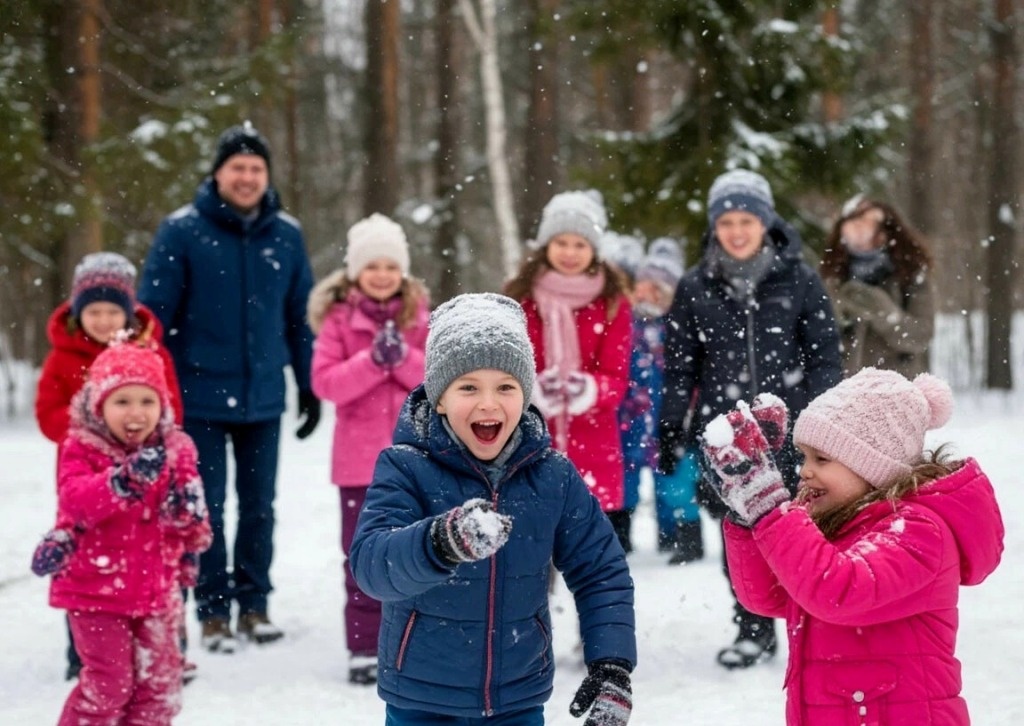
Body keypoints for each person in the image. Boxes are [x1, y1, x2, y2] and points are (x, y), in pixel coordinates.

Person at [349, 293, 636, 725]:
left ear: (525, 395)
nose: (488, 403)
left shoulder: (552, 475)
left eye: (506, 387)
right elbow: (372, 565)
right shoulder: (406, 467)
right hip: (421, 700)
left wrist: (611, 664)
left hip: (516, 700)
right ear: (439, 398)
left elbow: (601, 571)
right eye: (468, 387)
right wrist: (437, 543)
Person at [700, 368, 1004, 724]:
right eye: (804, 457)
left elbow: (837, 590)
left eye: (822, 459)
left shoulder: (918, 532)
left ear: (872, 465)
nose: (804, 471)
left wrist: (769, 508)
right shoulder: (834, 524)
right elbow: (769, 595)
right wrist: (748, 513)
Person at [138, 122, 320, 652]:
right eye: (237, 167)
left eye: (256, 168)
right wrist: (153, 390)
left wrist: (307, 385)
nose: (247, 177)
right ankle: (214, 611)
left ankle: (255, 605)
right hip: (198, 399)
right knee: (208, 507)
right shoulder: (182, 231)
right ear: (217, 173)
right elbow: (155, 316)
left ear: (267, 175)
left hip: (263, 398)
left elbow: (300, 317)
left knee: (260, 507)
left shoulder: (286, 234)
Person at [658, 168, 842, 668]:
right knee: (741, 535)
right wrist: (671, 423)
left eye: (746, 220)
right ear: (714, 227)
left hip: (797, 434)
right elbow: (680, 365)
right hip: (728, 438)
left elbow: (824, 355)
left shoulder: (800, 279)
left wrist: (821, 418)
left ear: (766, 222)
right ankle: (753, 629)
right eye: (726, 222)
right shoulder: (695, 286)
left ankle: (814, 629)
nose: (736, 231)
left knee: (806, 533)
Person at [32, 342, 212, 725]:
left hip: (157, 591)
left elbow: (193, 523)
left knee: (159, 689)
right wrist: (121, 482)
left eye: (147, 401)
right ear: (99, 406)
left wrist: (188, 516)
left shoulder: (176, 450)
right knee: (108, 686)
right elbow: (75, 500)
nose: (136, 413)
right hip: (96, 591)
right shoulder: (82, 447)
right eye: (122, 401)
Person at [34, 250, 184, 681]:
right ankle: (83, 650)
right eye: (94, 312)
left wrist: (143, 436)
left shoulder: (152, 354)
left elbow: (172, 409)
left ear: (129, 312)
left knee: (149, 554)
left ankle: (158, 645)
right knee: (85, 561)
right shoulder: (63, 357)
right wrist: (95, 430)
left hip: (147, 478)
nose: (103, 321)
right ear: (77, 313)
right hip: (84, 477)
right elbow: (48, 413)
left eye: (112, 311)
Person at [307, 213, 430, 685]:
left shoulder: (421, 318)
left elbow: (436, 379)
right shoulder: (339, 320)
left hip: (415, 459)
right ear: (355, 272)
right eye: (372, 266)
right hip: (358, 466)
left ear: (403, 271)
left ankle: (412, 642)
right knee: (362, 555)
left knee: (417, 552)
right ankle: (364, 644)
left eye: (390, 266)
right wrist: (373, 360)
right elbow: (327, 383)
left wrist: (402, 359)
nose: (382, 275)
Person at [504, 190, 633, 551]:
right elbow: (505, 368)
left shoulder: (612, 302)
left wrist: (588, 389)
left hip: (593, 442)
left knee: (590, 558)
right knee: (530, 557)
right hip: (530, 439)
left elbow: (617, 379)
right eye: (562, 242)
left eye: (580, 244)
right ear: (546, 245)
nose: (570, 252)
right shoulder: (520, 298)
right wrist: (531, 391)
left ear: (594, 249)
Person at [623, 237, 705, 564]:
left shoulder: (679, 326)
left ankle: (678, 535)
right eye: (640, 287)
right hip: (631, 418)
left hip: (669, 417)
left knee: (673, 481)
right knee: (626, 480)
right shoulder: (627, 326)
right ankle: (621, 535)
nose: (644, 294)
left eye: (654, 289)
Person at [820, 195, 935, 377]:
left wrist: (885, 312)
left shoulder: (909, 274)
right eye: (853, 222)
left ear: (886, 233)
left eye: (870, 223)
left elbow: (920, 337)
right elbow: (814, 339)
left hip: (897, 386)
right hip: (844, 388)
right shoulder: (831, 276)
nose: (859, 229)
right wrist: (839, 314)